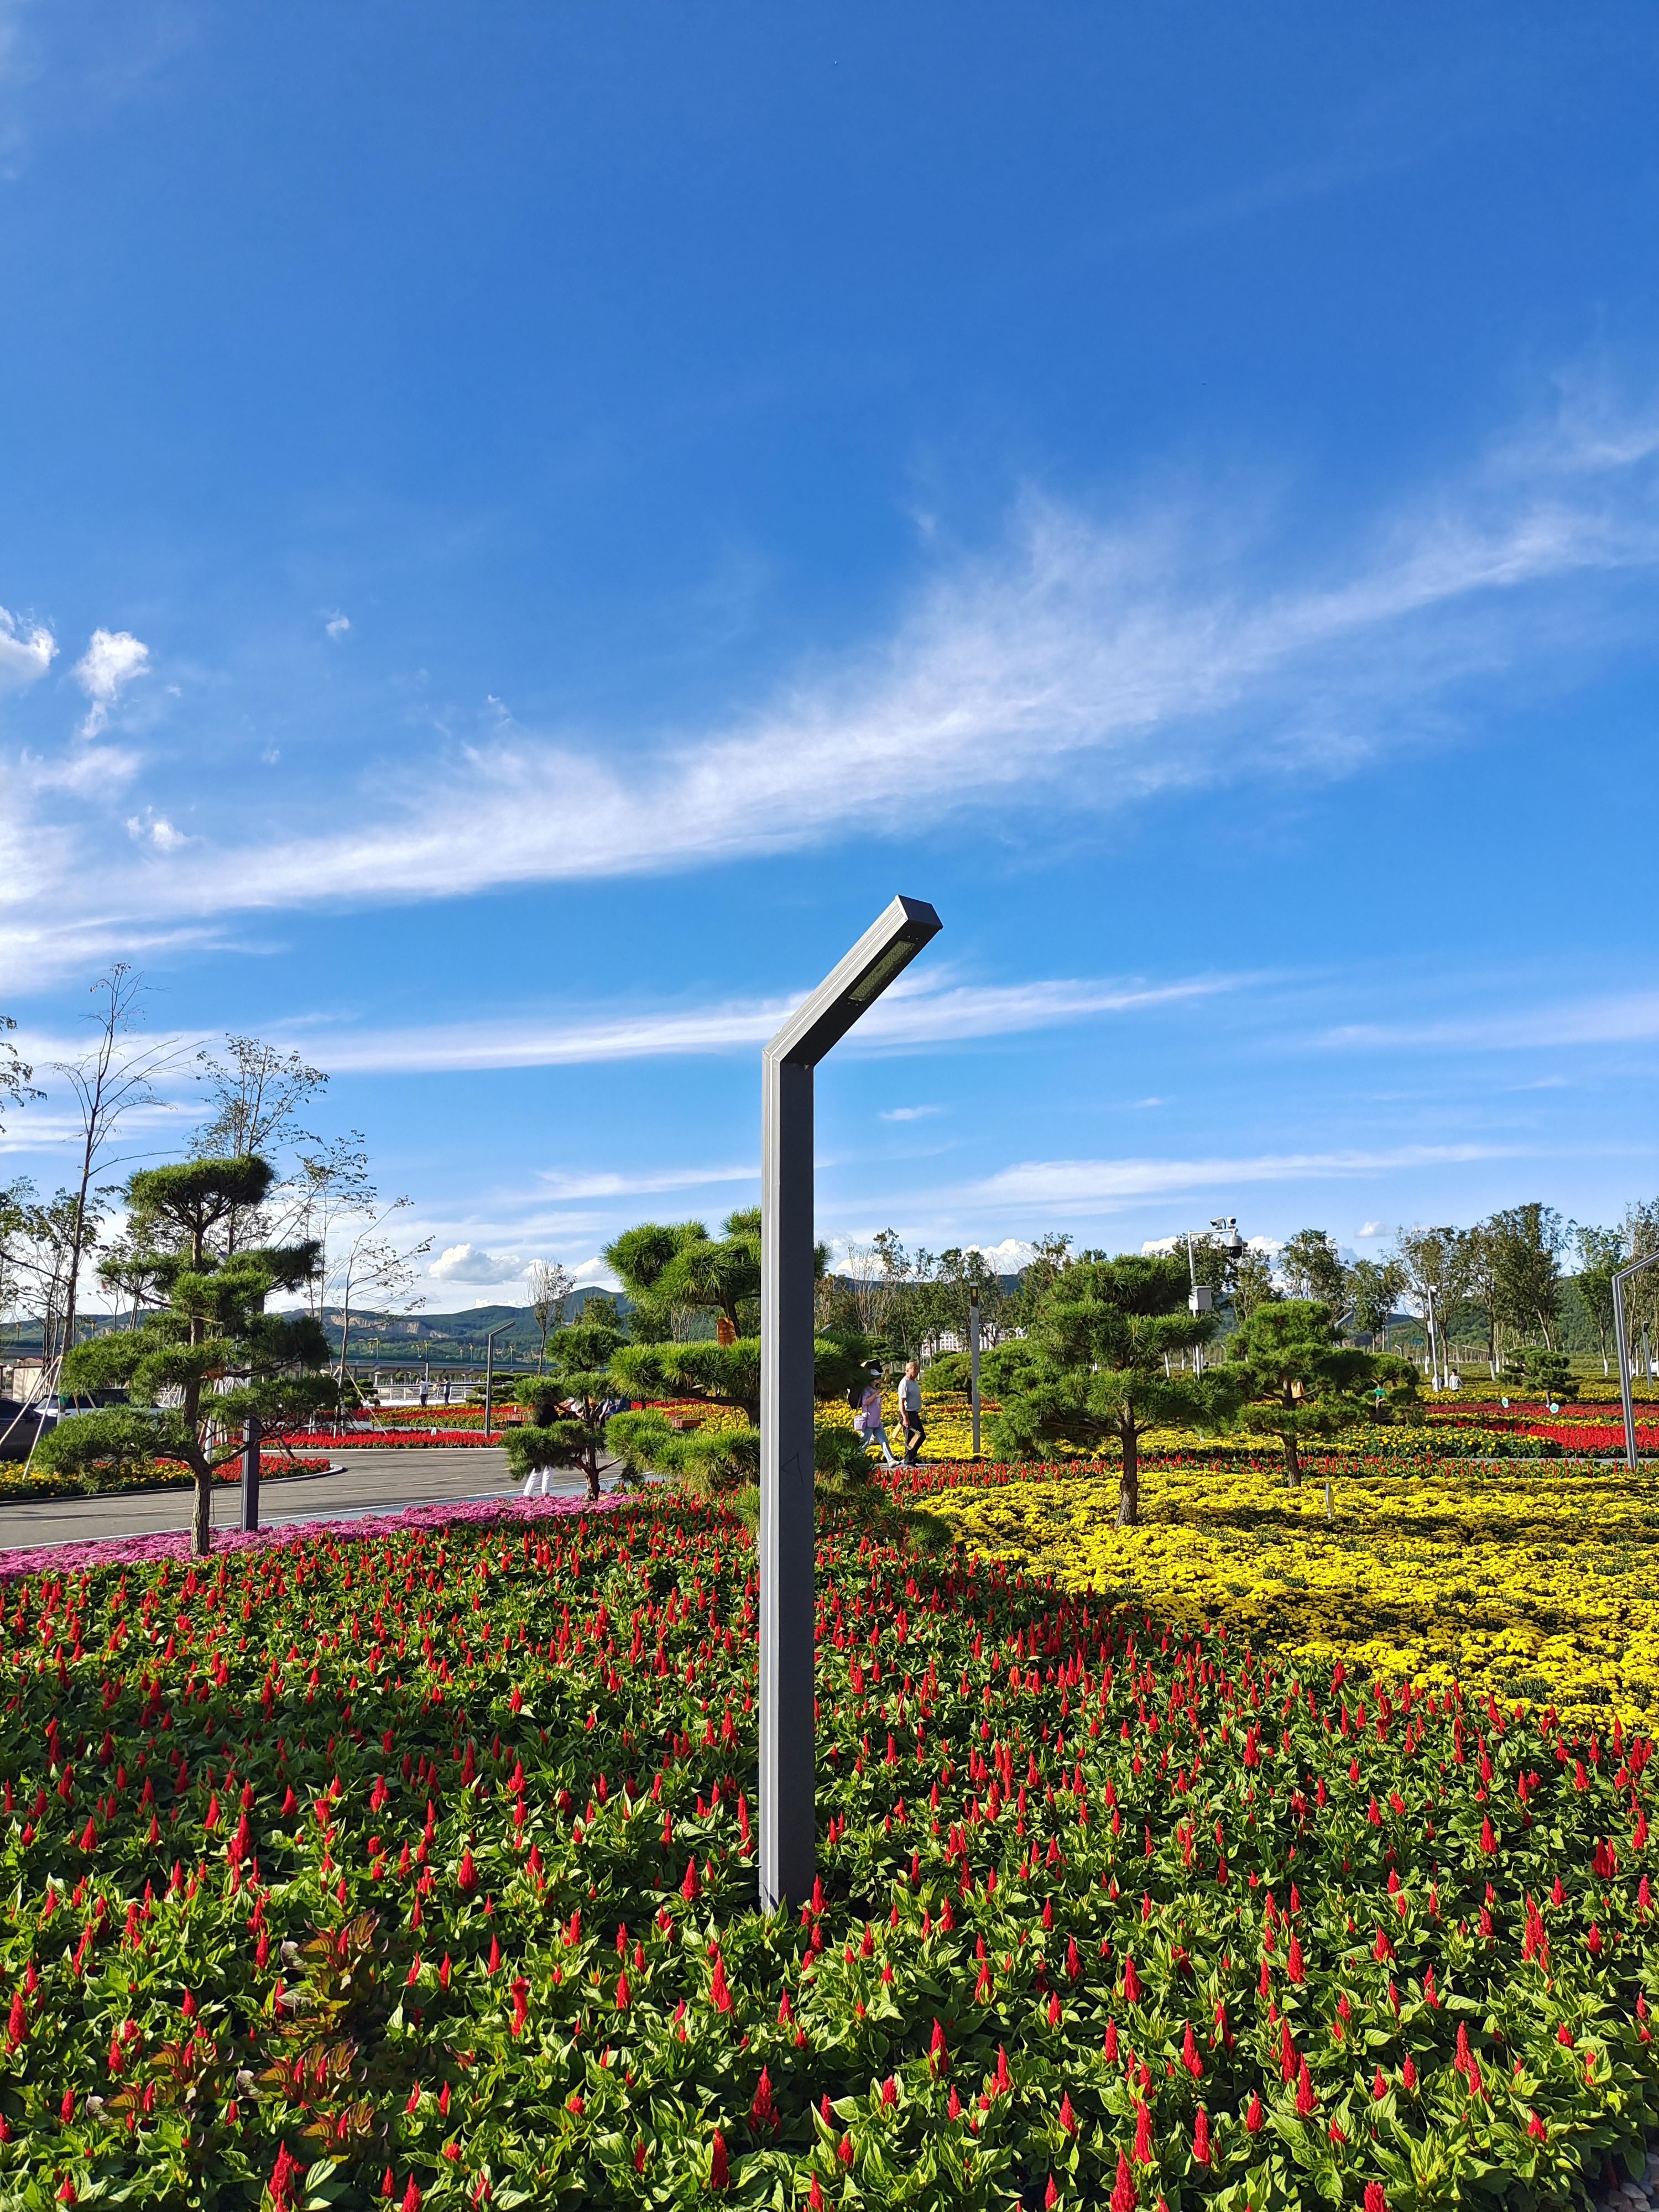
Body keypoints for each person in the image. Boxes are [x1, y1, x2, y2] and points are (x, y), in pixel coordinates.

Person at [855, 1375, 897, 1468]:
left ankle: (891, 1460)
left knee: (884, 1441)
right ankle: (857, 1460)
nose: (879, 1381)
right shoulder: (867, 1390)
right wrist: (876, 1394)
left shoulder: (875, 1390)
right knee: (864, 1442)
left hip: (877, 1421)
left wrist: (878, 1394)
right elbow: (866, 1402)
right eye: (877, 1379)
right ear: (872, 1380)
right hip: (869, 1421)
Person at [898, 1359, 925, 1466]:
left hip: (914, 1413)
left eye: (917, 1369)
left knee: (919, 1436)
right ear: (907, 1370)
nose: (917, 1371)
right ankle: (909, 1460)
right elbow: (901, 1403)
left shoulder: (913, 1382)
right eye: (915, 1369)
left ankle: (911, 1458)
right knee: (913, 1437)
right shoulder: (904, 1383)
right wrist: (905, 1418)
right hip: (908, 1413)